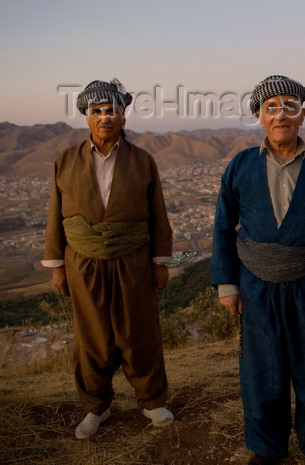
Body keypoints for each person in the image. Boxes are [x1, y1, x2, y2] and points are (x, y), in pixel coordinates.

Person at [210, 75, 305, 465]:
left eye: (290, 106)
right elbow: (223, 227)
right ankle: (266, 446)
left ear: (302, 115)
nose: (281, 115)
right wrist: (227, 284)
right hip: (255, 286)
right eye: (271, 107)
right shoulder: (240, 165)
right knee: (262, 372)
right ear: (260, 116)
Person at [43, 79, 174, 439]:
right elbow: (56, 215)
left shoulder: (142, 161)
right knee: (92, 335)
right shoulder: (65, 161)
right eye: (98, 111)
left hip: (133, 258)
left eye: (113, 110)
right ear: (86, 115)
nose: (106, 117)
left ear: (123, 115)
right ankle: (95, 406)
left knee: (139, 331)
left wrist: (159, 261)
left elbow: (157, 214)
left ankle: (151, 400)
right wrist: (56, 267)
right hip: (82, 261)